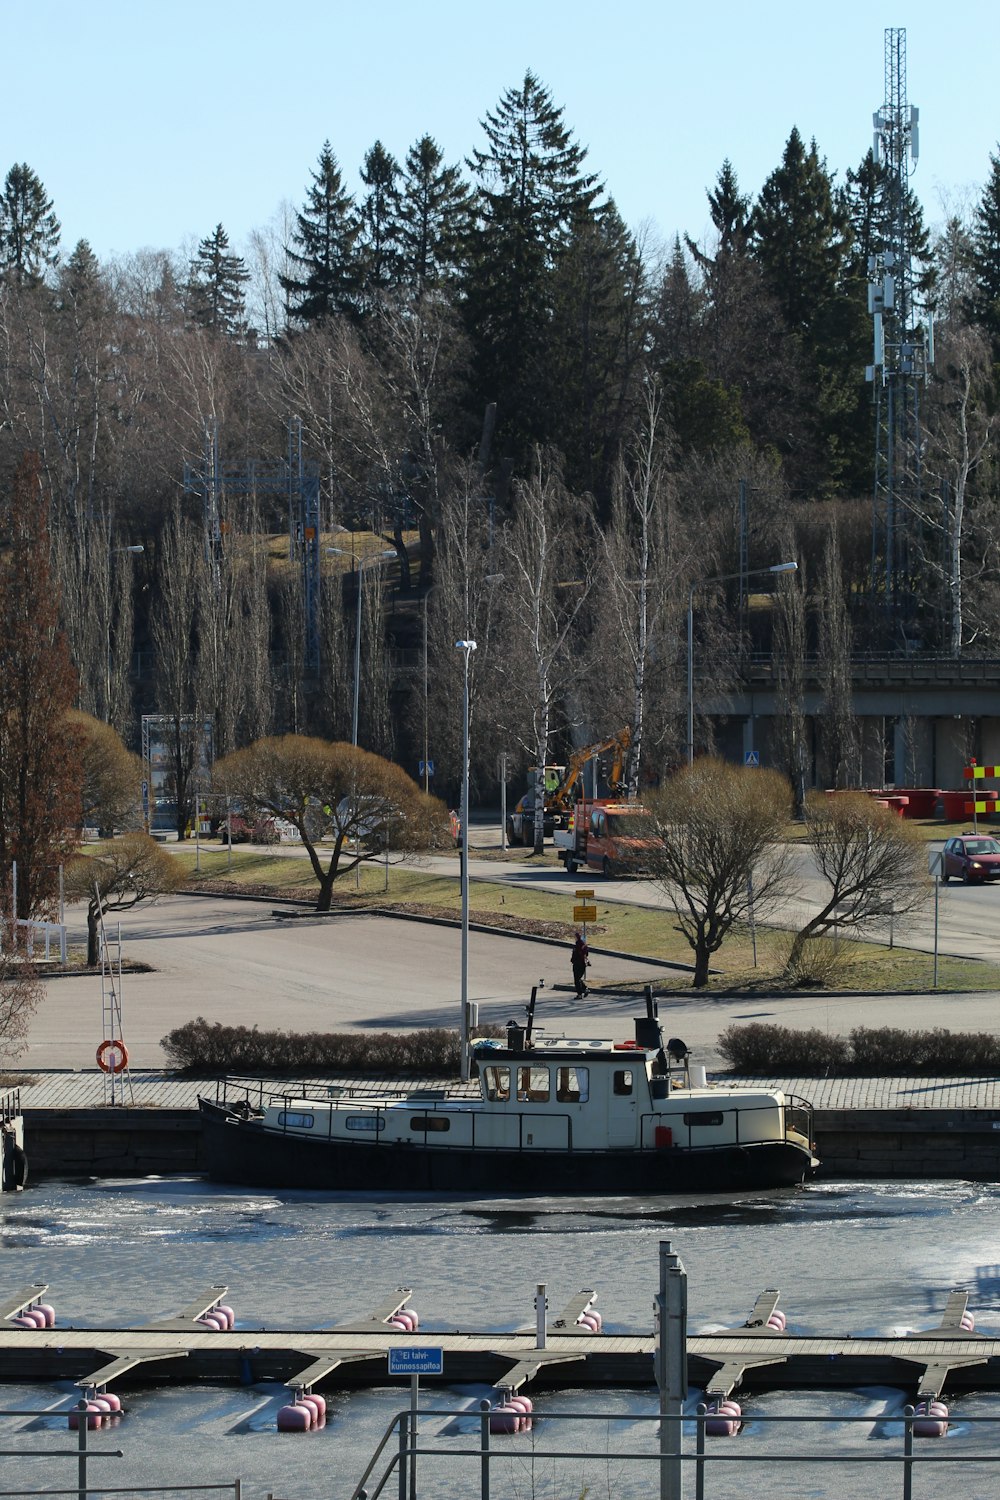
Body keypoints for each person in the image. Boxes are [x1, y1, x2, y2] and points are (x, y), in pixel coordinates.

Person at [571, 931, 589, 998]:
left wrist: (573, 960)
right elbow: (586, 954)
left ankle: (579, 994)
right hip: (582, 964)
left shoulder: (578, 945)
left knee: (577, 980)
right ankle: (585, 989)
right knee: (578, 979)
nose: (574, 938)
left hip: (578, 964)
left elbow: (577, 954)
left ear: (577, 937)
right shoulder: (583, 945)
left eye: (575, 937)